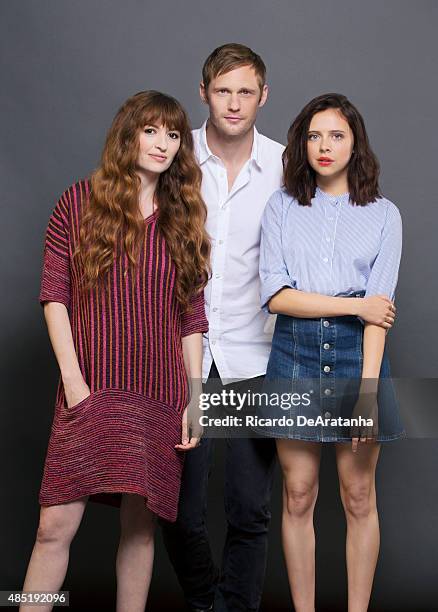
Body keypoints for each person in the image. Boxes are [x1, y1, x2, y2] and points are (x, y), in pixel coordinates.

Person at [20, 90, 210, 612]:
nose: (163, 143)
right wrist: (74, 382)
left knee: (139, 528)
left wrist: (195, 399)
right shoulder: (78, 202)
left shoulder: (183, 218)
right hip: (91, 387)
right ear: (127, 134)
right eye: (151, 130)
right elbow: (54, 296)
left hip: (159, 394)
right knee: (53, 528)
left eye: (173, 135)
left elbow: (192, 318)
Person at [258, 93, 404, 611]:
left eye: (336, 135)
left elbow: (378, 315)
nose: (323, 146)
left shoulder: (385, 216)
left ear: (354, 142)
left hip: (357, 356)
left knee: (358, 496)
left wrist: (367, 391)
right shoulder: (281, 205)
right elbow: (276, 296)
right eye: (314, 136)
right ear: (302, 142)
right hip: (294, 351)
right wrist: (355, 305)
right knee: (297, 494)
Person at [159, 43, 284, 612]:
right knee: (179, 511)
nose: (234, 104)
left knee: (248, 510)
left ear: (263, 96)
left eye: (246, 91)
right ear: (203, 92)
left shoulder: (286, 168)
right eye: (223, 90)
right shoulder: (172, 157)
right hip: (178, 353)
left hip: (255, 357)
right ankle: (207, 601)